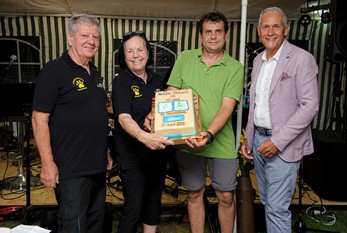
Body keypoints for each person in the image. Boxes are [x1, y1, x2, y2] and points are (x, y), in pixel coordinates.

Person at [161, 11, 244, 233]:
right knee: (194, 193)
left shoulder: (235, 67)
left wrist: (208, 135)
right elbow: (171, 93)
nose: (213, 36)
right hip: (187, 140)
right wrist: (165, 121)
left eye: (218, 32)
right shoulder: (185, 58)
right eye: (208, 31)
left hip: (221, 142)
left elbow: (227, 107)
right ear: (201, 36)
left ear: (225, 35)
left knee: (225, 196)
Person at [31, 14, 113, 233]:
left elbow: (95, 117)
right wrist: (47, 163)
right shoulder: (54, 70)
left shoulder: (94, 73)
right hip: (71, 169)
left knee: (96, 223)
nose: (92, 41)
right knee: (73, 225)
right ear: (70, 38)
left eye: (96, 36)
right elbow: (39, 119)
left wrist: (104, 150)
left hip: (96, 166)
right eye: (85, 35)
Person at [241, 7, 319, 232]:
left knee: (276, 208)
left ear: (287, 28)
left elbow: (310, 106)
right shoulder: (257, 60)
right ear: (258, 30)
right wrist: (249, 137)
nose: (270, 32)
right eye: (265, 26)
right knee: (267, 203)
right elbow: (255, 103)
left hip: (282, 145)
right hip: (258, 142)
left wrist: (278, 141)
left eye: (276, 26)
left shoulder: (302, 59)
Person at [112, 31, 174, 233]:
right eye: (130, 51)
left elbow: (162, 115)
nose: (136, 55)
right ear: (124, 56)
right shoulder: (121, 81)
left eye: (140, 49)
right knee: (133, 208)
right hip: (133, 157)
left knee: (153, 204)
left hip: (157, 155)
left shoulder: (157, 80)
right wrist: (143, 135)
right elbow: (123, 118)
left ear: (148, 53)